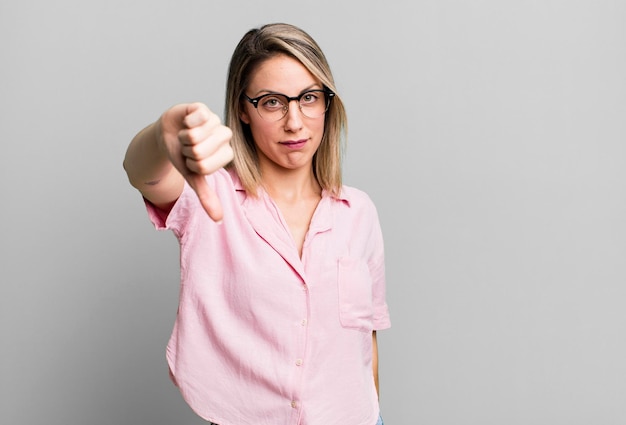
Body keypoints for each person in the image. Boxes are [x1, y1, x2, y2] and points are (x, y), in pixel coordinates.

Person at [123, 22, 390, 425]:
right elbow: (142, 174)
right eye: (271, 102)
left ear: (327, 104)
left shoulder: (359, 212)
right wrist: (162, 137)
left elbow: (365, 343)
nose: (295, 122)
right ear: (243, 110)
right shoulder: (208, 196)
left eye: (309, 98)